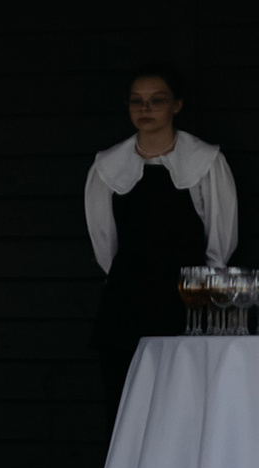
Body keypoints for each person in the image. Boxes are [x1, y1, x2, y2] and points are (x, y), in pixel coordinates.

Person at [86, 69, 237, 422]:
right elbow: (104, 240)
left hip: (186, 298)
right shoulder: (108, 166)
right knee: (124, 405)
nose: (146, 108)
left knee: (181, 405)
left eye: (157, 100)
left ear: (177, 106)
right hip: (125, 301)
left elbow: (221, 235)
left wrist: (203, 291)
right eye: (137, 101)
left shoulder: (206, 161)